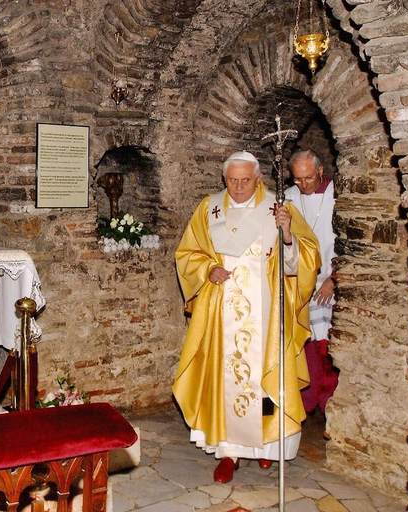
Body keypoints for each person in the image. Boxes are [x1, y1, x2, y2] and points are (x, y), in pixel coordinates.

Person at [173, 151, 320, 483]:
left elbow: (306, 260)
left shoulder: (278, 209)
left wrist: (287, 234)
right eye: (232, 180)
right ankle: (230, 452)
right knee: (226, 378)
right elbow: (187, 253)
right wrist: (207, 268)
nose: (238, 187)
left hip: (266, 311)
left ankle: (267, 447)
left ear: (258, 179)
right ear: (224, 179)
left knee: (265, 380)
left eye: (246, 180)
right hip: (222, 312)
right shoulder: (208, 209)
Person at [285, 150, 339, 414]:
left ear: (320, 171)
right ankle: (306, 401)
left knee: (325, 345)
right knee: (303, 343)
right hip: (299, 282)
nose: (302, 184)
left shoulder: (338, 196)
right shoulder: (289, 198)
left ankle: (328, 401)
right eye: (297, 179)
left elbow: (348, 243)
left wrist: (334, 278)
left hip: (329, 280)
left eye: (307, 177)